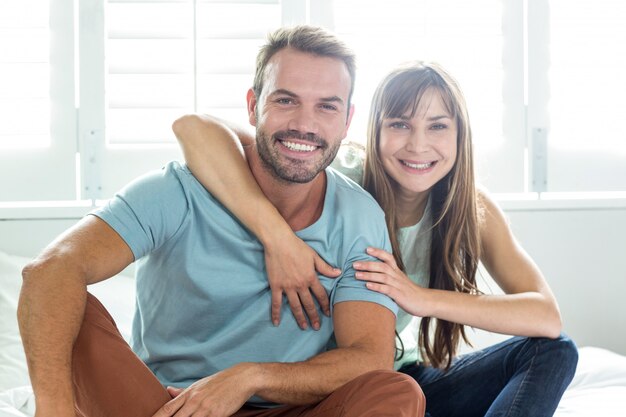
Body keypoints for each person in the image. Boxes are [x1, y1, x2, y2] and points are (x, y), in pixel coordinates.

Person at [17, 26, 426, 417]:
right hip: (164, 404)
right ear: (253, 106)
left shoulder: (359, 216)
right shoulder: (176, 191)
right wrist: (52, 409)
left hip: (290, 408)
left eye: (327, 106)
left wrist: (249, 377)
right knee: (64, 303)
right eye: (285, 100)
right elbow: (49, 271)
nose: (305, 124)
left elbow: (368, 357)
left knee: (395, 390)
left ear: (348, 119)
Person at [173, 61, 579, 417]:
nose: (418, 145)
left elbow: (545, 316)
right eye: (400, 124)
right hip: (317, 382)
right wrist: (278, 237)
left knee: (554, 350)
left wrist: (418, 296)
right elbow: (193, 128)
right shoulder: (336, 176)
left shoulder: (471, 208)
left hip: (398, 379)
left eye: (437, 126)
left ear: (459, 136)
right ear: (374, 130)